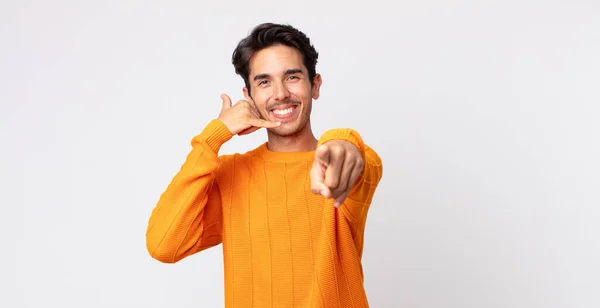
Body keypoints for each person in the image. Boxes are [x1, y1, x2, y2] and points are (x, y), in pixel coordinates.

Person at [145, 22, 383, 308]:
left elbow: (353, 157)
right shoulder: (231, 174)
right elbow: (163, 245)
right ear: (249, 96)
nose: (280, 93)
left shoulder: (344, 163)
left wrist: (342, 142)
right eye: (264, 81)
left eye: (292, 77)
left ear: (315, 85)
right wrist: (212, 138)